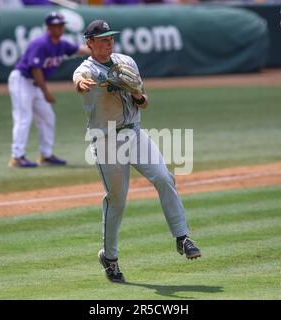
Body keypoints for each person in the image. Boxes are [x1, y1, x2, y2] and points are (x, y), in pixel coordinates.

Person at [73, 20, 201, 283]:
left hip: (135, 133)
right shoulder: (86, 69)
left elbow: (144, 103)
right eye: (102, 39)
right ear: (90, 43)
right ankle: (109, 258)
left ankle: (182, 237)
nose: (108, 43)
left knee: (164, 177)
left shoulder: (127, 62)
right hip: (106, 140)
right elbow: (78, 79)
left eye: (110, 38)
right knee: (117, 200)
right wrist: (80, 84)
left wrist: (137, 94)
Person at [8, 12, 90, 168]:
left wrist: (98, 51)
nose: (59, 28)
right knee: (23, 118)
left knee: (47, 117)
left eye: (61, 25)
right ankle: (17, 156)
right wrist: (46, 92)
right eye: (55, 25)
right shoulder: (41, 43)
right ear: (48, 27)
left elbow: (80, 50)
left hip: (35, 84)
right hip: (22, 81)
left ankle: (46, 155)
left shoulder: (61, 44)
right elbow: (35, 70)